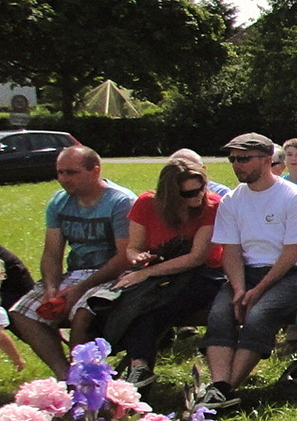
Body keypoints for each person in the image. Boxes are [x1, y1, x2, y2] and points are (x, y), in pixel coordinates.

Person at [83, 159, 224, 389]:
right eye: (188, 194)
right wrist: (138, 258)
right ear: (171, 195)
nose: (197, 197)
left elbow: (197, 257)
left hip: (204, 274)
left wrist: (146, 274)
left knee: (152, 310)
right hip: (157, 272)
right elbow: (133, 247)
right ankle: (121, 369)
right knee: (114, 305)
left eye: (201, 188)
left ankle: (138, 368)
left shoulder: (212, 205)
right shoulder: (146, 204)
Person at [198, 134, 297, 408]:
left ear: (266, 160)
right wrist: (239, 289)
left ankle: (225, 389)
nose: (236, 165)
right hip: (245, 274)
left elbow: (292, 253)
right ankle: (219, 387)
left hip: (290, 274)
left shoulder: (294, 198)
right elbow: (231, 250)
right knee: (219, 314)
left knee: (260, 315)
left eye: (243, 159)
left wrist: (257, 291)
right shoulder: (232, 200)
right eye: (232, 159)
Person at [9, 146, 135, 379]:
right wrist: (51, 288)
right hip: (76, 272)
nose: (63, 179)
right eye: (60, 172)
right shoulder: (59, 202)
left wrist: (79, 289)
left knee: (82, 313)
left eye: (71, 173)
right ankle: (65, 375)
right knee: (21, 312)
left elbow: (125, 257)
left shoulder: (120, 202)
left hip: (114, 274)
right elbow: (51, 253)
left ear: (94, 171)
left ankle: (83, 378)